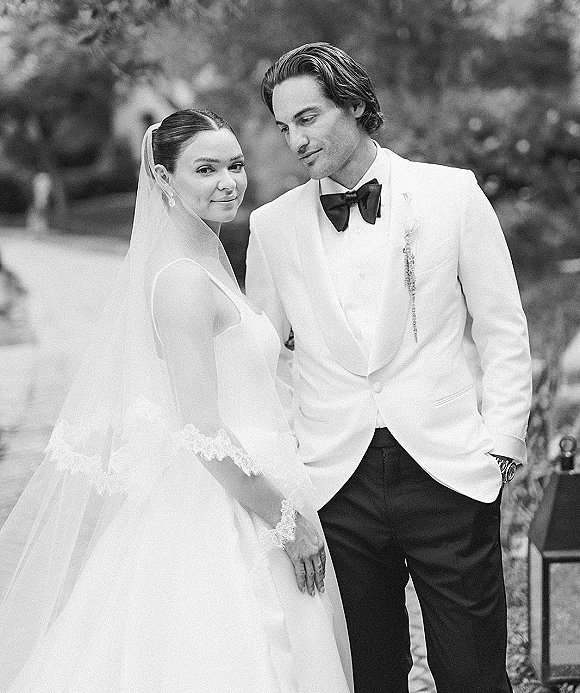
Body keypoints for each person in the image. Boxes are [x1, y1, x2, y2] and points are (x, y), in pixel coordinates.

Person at [0, 110, 352, 693]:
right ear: (164, 178)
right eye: (205, 169)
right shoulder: (183, 282)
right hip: (230, 506)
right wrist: (286, 521)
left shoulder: (207, 261)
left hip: (262, 483)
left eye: (235, 165)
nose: (228, 182)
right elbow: (203, 429)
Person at [245, 43, 532, 693]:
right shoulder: (273, 227)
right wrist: (289, 471)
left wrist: (502, 445)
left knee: (474, 675)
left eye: (308, 118)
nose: (296, 140)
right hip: (335, 483)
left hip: (448, 470)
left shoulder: (451, 194)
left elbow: (501, 326)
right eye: (285, 126)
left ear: (353, 104)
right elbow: (264, 363)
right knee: (368, 677)